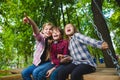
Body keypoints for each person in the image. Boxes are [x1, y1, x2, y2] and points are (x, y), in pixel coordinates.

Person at [21, 14, 54, 80]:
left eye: (50, 29)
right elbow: (35, 28)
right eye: (46, 29)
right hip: (37, 63)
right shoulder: (40, 38)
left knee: (35, 73)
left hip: (48, 63)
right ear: (43, 30)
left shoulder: (55, 40)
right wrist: (30, 21)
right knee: (24, 73)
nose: (48, 31)